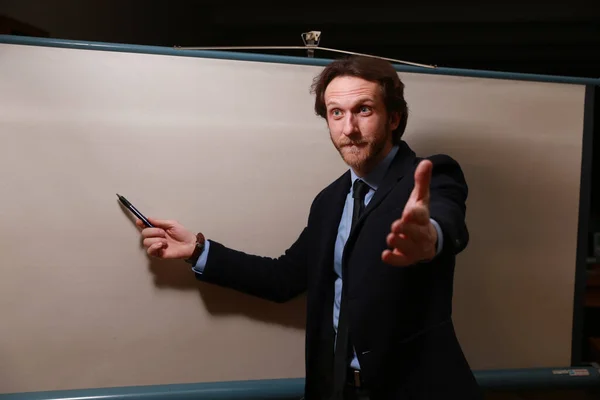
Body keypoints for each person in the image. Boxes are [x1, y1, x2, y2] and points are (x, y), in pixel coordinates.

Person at [137, 55, 483, 400]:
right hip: (337, 389)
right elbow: (284, 278)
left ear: (393, 117)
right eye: (336, 113)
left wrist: (430, 239)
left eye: (363, 110)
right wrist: (197, 251)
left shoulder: (431, 174)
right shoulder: (329, 201)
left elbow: (446, 220)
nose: (348, 128)